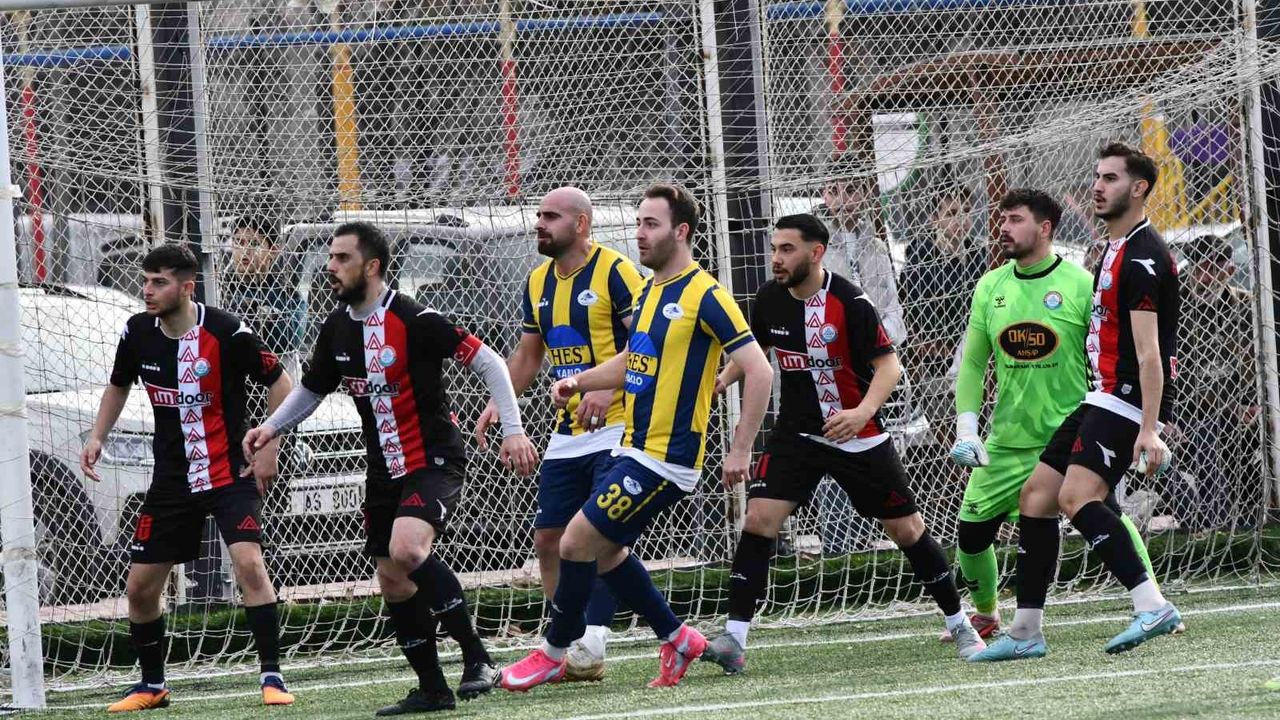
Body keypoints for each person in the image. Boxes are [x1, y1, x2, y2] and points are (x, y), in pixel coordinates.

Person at [242, 222, 539, 714]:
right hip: (382, 470)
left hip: (432, 457)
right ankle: (433, 689)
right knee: (392, 577)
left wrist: (513, 429)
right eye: (330, 258)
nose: (331, 267)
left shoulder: (415, 318)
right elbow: (312, 390)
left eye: (342, 258)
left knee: (407, 549)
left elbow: (489, 362)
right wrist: (270, 428)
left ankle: (478, 659)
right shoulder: (336, 327)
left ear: (372, 266)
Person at [496, 184, 773, 691]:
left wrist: (740, 448)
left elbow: (759, 370)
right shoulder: (650, 291)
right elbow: (633, 359)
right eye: (639, 223)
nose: (640, 233)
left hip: (668, 457)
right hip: (634, 447)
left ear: (681, 231)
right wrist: (581, 382)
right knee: (606, 551)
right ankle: (678, 638)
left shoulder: (705, 294)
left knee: (575, 541)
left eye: (651, 224)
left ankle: (555, 653)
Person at [700, 213, 988, 674]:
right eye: (774, 249)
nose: (776, 258)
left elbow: (890, 367)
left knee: (907, 531)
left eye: (787, 249)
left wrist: (861, 413)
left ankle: (961, 624)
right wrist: (721, 379)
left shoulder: (850, 301)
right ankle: (734, 638)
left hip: (858, 436)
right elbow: (754, 352)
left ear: (816, 253)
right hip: (798, 434)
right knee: (758, 519)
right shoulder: (769, 298)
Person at [970, 142, 1182, 661]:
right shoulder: (1114, 247)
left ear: (1139, 189)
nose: (1097, 186)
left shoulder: (1144, 257)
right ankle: (1025, 633)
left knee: (1077, 498)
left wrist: (1149, 428)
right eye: (1096, 176)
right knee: (1036, 498)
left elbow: (1151, 354)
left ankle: (1152, 604)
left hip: (1125, 399)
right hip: (1101, 396)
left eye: (1110, 178)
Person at [80, 243, 296, 711]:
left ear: (186, 287)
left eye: (159, 282)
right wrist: (98, 435)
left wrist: (269, 446)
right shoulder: (137, 332)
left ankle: (272, 676)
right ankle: (152, 685)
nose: (147, 290)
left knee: (249, 564)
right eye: (145, 280)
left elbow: (281, 383)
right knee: (140, 588)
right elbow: (118, 385)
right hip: (171, 481)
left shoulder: (227, 331)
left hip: (229, 471)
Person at [474, 187, 645, 681]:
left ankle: (592, 643)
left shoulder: (616, 271)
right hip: (568, 431)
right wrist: (500, 403)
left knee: (597, 536)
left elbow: (647, 342)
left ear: (582, 224)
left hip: (619, 424)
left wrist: (606, 387)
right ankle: (565, 643)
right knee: (549, 539)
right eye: (539, 215)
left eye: (551, 216)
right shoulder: (537, 281)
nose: (539, 223)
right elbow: (529, 356)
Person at [1172, 234, 1258, 531]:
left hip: (1235, 405)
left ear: (1229, 271)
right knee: (1206, 435)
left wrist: (1249, 403)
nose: (1204, 277)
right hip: (1185, 408)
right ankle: (1212, 520)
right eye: (1198, 268)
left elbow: (1255, 362)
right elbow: (1172, 370)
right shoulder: (1173, 307)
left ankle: (1250, 511)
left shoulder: (1245, 306)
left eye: (1212, 269)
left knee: (1256, 434)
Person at [898, 184, 986, 448]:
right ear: (935, 218)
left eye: (967, 211)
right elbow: (913, 308)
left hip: (975, 356)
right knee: (948, 432)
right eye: (952, 213)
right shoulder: (921, 256)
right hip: (934, 360)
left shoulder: (979, 255)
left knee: (979, 427)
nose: (962, 219)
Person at [222, 215, 306, 360]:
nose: (245, 250)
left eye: (254, 243)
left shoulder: (287, 293)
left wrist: (254, 313)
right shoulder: (221, 288)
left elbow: (290, 339)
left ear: (273, 251)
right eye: (238, 242)